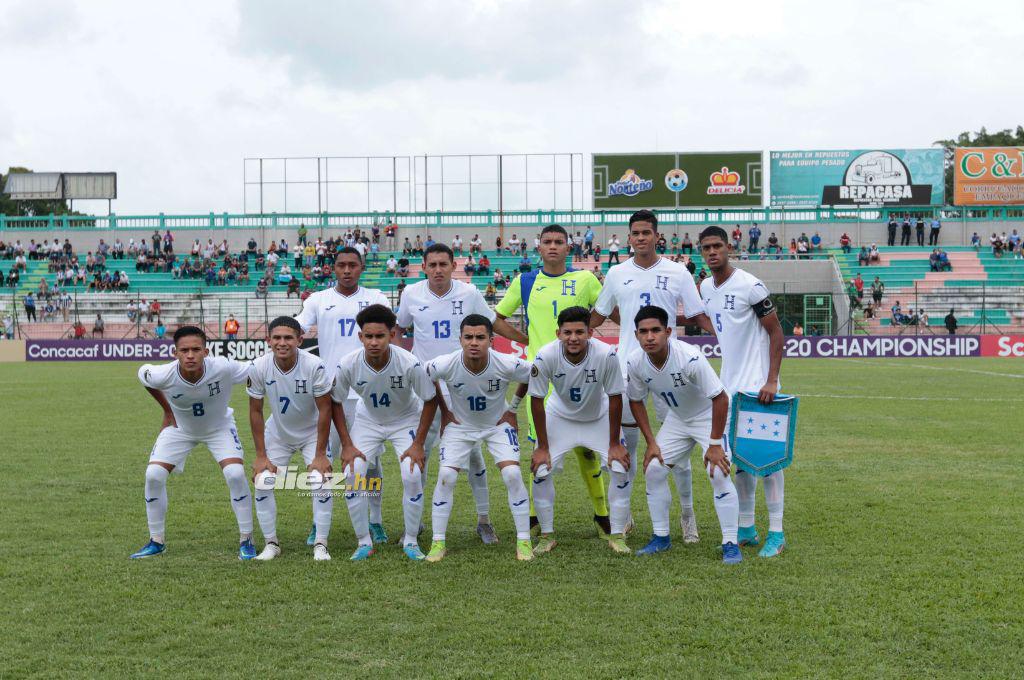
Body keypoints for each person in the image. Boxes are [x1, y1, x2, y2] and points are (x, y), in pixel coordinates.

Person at [590, 210, 712, 542]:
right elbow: (599, 315)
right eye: (635, 233)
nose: (641, 238)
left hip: (671, 372)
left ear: (657, 236)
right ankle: (624, 515)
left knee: (680, 454)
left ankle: (687, 514)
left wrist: (732, 337)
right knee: (626, 448)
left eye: (647, 232)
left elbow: (698, 314)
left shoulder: (678, 272)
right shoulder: (616, 273)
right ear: (628, 237)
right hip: (630, 371)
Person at [396, 243, 529, 544]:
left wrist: (525, 339)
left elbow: (493, 322)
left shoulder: (468, 293)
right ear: (424, 267)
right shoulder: (411, 294)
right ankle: (414, 525)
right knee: (421, 453)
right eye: (433, 265)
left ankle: (484, 520)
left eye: (444, 264)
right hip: (427, 387)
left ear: (454, 265)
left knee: (473, 455)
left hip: (463, 384)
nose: (438, 270)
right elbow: (400, 327)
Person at [495, 224, 613, 539]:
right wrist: (526, 339)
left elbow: (607, 310)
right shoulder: (525, 281)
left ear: (568, 247)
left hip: (580, 372)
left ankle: (602, 514)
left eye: (559, 242)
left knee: (587, 452)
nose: (552, 247)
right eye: (547, 241)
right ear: (539, 247)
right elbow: (497, 318)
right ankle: (536, 518)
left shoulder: (585, 279)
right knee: (542, 450)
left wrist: (586, 332)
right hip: (542, 377)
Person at [626, 305, 741, 562]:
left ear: (668, 332)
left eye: (656, 330)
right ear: (636, 335)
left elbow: (720, 398)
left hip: (710, 415)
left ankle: (731, 543)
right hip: (678, 418)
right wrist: (651, 442)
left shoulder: (689, 357)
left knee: (718, 471)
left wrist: (714, 444)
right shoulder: (635, 362)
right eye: (643, 332)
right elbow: (635, 400)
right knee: (654, 468)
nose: (650, 336)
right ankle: (661, 537)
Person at [698, 225, 787, 558]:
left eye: (717, 246)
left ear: (729, 248)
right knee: (742, 463)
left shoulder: (751, 286)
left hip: (759, 387)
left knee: (769, 462)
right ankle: (747, 528)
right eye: (706, 247)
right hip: (728, 388)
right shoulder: (706, 286)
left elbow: (776, 333)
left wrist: (772, 380)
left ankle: (776, 533)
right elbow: (715, 321)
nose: (712, 252)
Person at [130, 326, 254, 559]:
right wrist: (167, 410)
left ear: (206, 352)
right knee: (153, 475)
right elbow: (143, 375)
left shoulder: (224, 368)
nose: (190, 355)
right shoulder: (163, 374)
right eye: (184, 350)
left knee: (236, 474)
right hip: (181, 429)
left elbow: (256, 370)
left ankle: (246, 539)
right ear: (174, 352)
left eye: (196, 349)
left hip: (219, 427)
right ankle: (156, 541)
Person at [295, 247, 390, 545]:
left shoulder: (376, 297)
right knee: (324, 457)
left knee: (369, 461)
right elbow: (299, 323)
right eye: (341, 265)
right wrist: (282, 330)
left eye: (352, 265)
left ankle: (375, 520)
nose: (347, 270)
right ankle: (318, 521)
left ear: (361, 267)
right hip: (330, 392)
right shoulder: (318, 300)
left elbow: (391, 327)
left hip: (366, 393)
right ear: (333, 268)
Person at [331, 305, 439, 561]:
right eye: (368, 336)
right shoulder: (348, 364)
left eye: (380, 336)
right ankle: (363, 542)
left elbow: (430, 399)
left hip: (405, 420)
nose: (374, 342)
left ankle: (411, 540)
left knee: (412, 475)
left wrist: (418, 444)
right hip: (368, 421)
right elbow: (335, 401)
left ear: (391, 335)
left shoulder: (409, 363)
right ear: (360, 337)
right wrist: (346, 444)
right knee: (352, 474)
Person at [423, 314, 534, 562]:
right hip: (460, 426)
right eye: (469, 337)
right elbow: (427, 376)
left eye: (480, 337)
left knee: (512, 474)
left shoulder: (506, 363)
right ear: (460, 339)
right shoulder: (446, 363)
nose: (474, 342)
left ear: (491, 340)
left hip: (496, 425)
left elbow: (531, 374)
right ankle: (438, 542)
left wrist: (513, 409)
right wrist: (445, 410)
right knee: (446, 476)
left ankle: (524, 541)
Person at [529, 306, 630, 555]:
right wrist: (542, 447)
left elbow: (616, 396)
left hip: (598, 418)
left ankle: (617, 535)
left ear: (590, 333)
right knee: (540, 470)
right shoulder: (545, 355)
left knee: (619, 468)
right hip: (559, 417)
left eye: (579, 332)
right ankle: (547, 535)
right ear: (558, 333)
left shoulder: (606, 355)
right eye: (567, 332)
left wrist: (615, 442)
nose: (573, 338)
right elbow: (536, 400)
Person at [247, 317, 334, 561]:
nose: (282, 342)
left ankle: (321, 544)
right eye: (277, 338)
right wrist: (261, 455)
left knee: (321, 480)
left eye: (288, 338)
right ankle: (271, 544)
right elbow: (255, 410)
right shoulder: (258, 366)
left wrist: (319, 454)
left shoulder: (314, 365)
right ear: (268, 340)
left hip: (311, 434)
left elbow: (325, 409)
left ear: (299, 340)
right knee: (263, 481)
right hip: (278, 434)